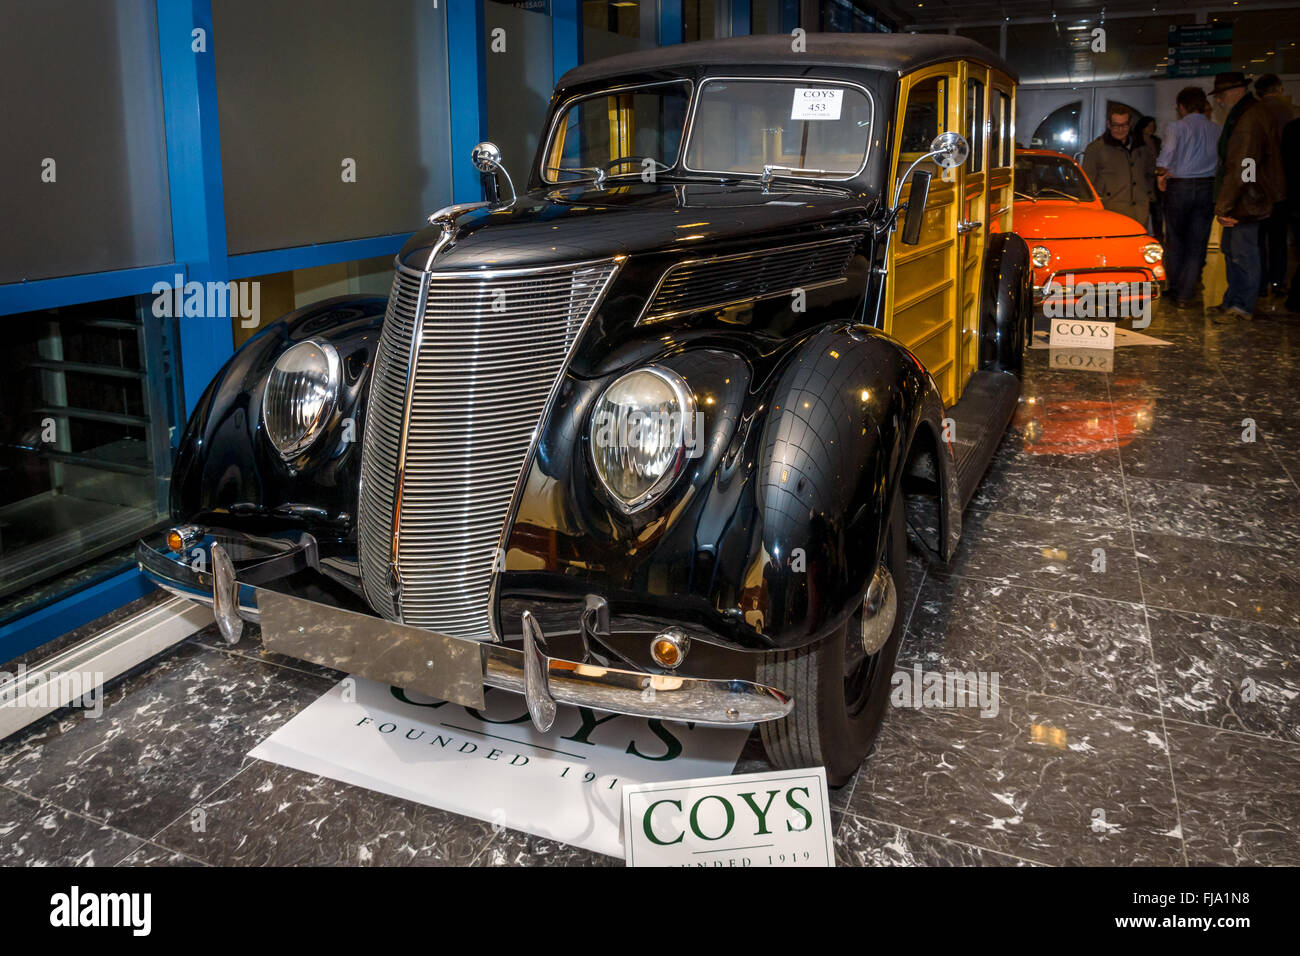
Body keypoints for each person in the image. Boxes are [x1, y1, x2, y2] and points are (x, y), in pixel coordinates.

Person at [1210, 73, 1286, 322]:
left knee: (1243, 253)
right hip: (1245, 195)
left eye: (1221, 95)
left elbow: (1245, 165)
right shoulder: (1246, 114)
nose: (1218, 101)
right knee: (1233, 251)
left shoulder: (1249, 118)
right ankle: (1232, 301)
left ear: (1236, 92)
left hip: (1246, 199)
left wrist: (1227, 205)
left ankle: (1242, 307)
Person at [1156, 87, 1221, 310]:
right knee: (1197, 243)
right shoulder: (1217, 129)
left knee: (1175, 240)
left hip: (1180, 187)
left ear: (1181, 107)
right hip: (1207, 187)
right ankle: (1186, 293)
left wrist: (1161, 173)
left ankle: (1174, 288)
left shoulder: (1176, 127)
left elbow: (1166, 157)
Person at [1082, 105, 1157, 227]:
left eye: (1124, 125)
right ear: (1108, 124)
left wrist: (1148, 195)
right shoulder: (1096, 148)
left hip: (1140, 210)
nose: (1120, 129)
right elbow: (1088, 183)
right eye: (1116, 125)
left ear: (1130, 124)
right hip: (1110, 211)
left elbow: (1150, 171)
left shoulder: (1144, 144)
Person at [1254, 75, 1293, 302]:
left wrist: (1248, 181)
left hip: (1259, 185)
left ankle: (1260, 283)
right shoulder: (1290, 112)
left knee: (1258, 238)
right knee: (1279, 238)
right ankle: (1278, 282)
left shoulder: (1254, 113)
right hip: (1283, 184)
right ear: (1278, 88)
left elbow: (1248, 157)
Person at [1135, 116, 1164, 240]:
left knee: (1157, 213)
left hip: (1155, 181)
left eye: (1153, 126)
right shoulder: (1136, 141)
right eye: (1148, 126)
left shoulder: (1156, 141)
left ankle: (1158, 238)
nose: (1151, 129)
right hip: (1142, 181)